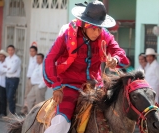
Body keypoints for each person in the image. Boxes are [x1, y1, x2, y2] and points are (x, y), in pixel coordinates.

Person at [43, 1, 129, 133]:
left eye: (99, 28)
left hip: (96, 87)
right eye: (93, 28)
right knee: (61, 123)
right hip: (70, 85)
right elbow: (50, 59)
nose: (97, 32)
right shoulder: (67, 34)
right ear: (84, 25)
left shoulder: (104, 35)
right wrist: (56, 86)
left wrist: (115, 59)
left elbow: (121, 54)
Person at [20, 46, 38, 114]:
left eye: (33, 51)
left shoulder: (37, 59)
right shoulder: (31, 58)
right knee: (26, 95)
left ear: (36, 52)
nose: (31, 52)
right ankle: (25, 109)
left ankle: (30, 111)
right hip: (28, 79)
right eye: (30, 51)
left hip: (33, 80)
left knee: (31, 96)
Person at [5, 45, 21, 114]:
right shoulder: (7, 59)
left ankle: (12, 112)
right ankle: (11, 111)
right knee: (8, 96)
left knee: (10, 96)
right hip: (7, 78)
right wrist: (7, 69)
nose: (10, 51)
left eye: (12, 50)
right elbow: (3, 68)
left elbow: (12, 70)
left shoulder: (16, 59)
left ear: (14, 50)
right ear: (7, 51)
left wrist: (7, 69)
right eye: (9, 50)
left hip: (14, 79)